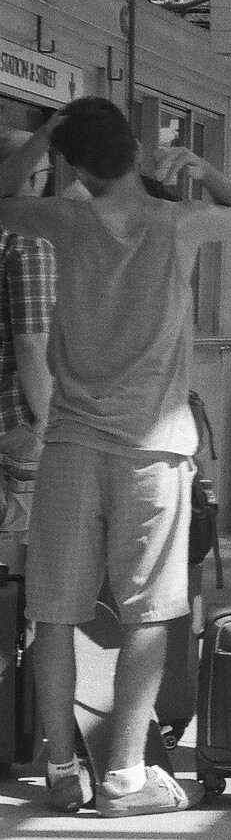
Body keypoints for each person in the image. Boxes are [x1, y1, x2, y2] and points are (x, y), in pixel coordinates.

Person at [0, 99, 231, 816]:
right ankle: (123, 777)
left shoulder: (64, 220)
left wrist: (43, 140)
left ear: (75, 166)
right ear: (137, 151)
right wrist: (204, 169)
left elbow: (3, 199)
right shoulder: (180, 223)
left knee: (54, 612)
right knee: (148, 614)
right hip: (155, 450)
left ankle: (59, 769)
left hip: (71, 445)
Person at [0, 128, 56, 567]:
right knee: (17, 561)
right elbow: (32, 344)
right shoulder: (28, 242)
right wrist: (50, 420)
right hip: (14, 426)